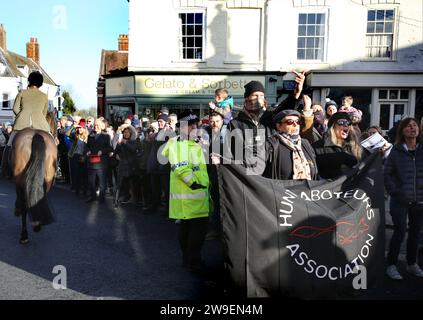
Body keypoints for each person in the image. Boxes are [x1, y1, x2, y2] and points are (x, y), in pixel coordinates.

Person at [162, 111, 210, 274]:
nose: (195, 127)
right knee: (196, 230)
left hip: (193, 195)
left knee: (188, 228)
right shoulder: (179, 143)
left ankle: (189, 260)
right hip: (191, 194)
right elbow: (181, 167)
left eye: (196, 124)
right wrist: (194, 183)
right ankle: (192, 261)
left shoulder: (189, 142)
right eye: (191, 125)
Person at [384, 117, 423, 280]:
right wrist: (395, 192)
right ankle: (391, 265)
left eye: (414, 126)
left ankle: (412, 264)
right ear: (402, 131)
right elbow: (387, 174)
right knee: (399, 232)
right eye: (408, 126)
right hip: (400, 200)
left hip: (420, 200)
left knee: (415, 233)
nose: (412, 128)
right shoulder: (396, 150)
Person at [263, 109, 318, 180]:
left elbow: (316, 172)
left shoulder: (305, 143)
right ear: (279, 126)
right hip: (281, 190)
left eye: (298, 122)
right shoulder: (270, 145)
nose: (295, 124)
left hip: (307, 189)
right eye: (290, 122)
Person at [312, 112, 363, 180]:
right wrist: (339, 157)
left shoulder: (356, 147)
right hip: (329, 188)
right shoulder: (318, 146)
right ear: (332, 126)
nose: (346, 125)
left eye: (348, 123)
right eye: (342, 122)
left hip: (352, 188)